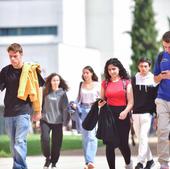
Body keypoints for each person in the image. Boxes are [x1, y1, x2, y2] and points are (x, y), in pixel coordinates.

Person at [0, 43, 44, 169]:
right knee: (13, 144)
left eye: (15, 56)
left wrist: (38, 110)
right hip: (8, 112)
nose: (13, 59)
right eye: (10, 56)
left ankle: (20, 167)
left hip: (23, 111)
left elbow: (38, 88)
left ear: (21, 54)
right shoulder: (6, 71)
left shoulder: (31, 70)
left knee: (19, 142)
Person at [98, 58, 134, 169]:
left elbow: (131, 102)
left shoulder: (126, 82)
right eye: (109, 70)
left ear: (119, 68)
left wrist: (125, 112)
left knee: (123, 144)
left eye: (113, 69)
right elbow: (102, 99)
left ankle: (128, 163)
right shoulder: (105, 83)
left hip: (123, 114)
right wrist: (100, 103)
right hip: (109, 116)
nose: (111, 71)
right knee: (109, 145)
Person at [73, 66, 100, 169]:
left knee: (92, 136)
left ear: (92, 73)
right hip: (83, 111)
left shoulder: (97, 85)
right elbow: (78, 98)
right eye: (84, 73)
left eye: (87, 72)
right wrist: (74, 104)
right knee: (85, 137)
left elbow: (102, 98)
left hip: (93, 110)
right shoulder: (81, 84)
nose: (85, 74)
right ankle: (87, 162)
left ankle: (91, 161)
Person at [131, 57, 157, 169]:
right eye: (141, 66)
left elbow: (156, 98)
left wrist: (156, 115)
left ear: (149, 67)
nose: (143, 68)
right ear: (138, 67)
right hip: (135, 112)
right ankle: (150, 160)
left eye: (145, 66)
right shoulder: (133, 79)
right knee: (141, 139)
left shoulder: (154, 79)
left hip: (148, 113)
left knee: (142, 137)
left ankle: (140, 162)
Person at [40, 73, 69, 169]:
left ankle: (54, 162)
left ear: (60, 82)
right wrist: (37, 118)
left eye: (57, 80)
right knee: (45, 140)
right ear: (50, 82)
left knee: (57, 144)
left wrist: (65, 124)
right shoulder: (45, 92)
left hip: (58, 122)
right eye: (54, 80)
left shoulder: (62, 93)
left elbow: (65, 109)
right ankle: (47, 157)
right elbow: (40, 105)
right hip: (45, 120)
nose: (56, 82)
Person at [154, 31, 170, 169]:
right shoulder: (160, 56)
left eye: (169, 47)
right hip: (162, 99)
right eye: (165, 47)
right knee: (162, 131)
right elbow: (155, 78)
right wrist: (161, 77)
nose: (167, 50)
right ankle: (164, 164)